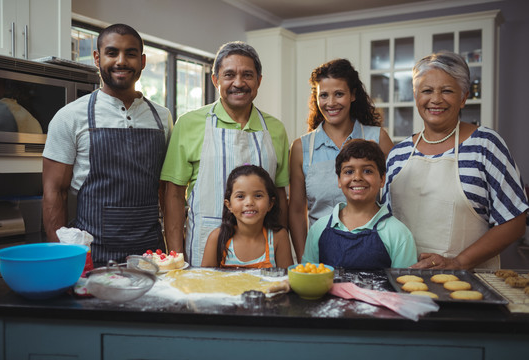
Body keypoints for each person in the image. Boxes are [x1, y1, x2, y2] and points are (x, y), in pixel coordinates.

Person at [382, 51, 529, 270]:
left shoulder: (486, 145)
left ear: (463, 98)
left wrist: (458, 262)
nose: (436, 99)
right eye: (427, 91)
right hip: (405, 283)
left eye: (447, 91)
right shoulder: (398, 155)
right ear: (415, 97)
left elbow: (515, 222)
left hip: (470, 286)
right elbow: (385, 224)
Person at [42, 24, 172, 264]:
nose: (121, 61)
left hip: (152, 255)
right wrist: (63, 258)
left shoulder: (162, 118)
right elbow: (54, 192)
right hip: (92, 256)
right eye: (112, 53)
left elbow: (166, 190)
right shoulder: (70, 116)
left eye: (130, 53)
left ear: (142, 61)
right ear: (96, 58)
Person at [161, 41, 290, 267]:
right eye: (229, 75)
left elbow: (279, 196)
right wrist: (176, 259)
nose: (238, 83)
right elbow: (173, 195)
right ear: (215, 80)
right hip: (203, 247)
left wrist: (280, 248)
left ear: (259, 81)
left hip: (262, 252)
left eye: (247, 75)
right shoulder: (189, 124)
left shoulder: (275, 129)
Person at [289, 58, 394, 262]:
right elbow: (295, 210)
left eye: (339, 94)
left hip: (373, 252)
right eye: (324, 95)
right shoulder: (301, 148)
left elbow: (394, 199)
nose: (331, 103)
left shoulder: (378, 138)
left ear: (353, 95)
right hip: (321, 253)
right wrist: (306, 259)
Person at [302, 139, 416, 269]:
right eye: (349, 172)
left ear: (382, 179)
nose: (357, 177)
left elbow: (403, 285)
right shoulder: (318, 229)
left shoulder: (398, 234)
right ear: (339, 180)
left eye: (367, 171)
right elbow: (308, 278)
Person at [201, 165, 293, 268]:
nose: (249, 202)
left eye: (258, 195)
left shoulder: (278, 237)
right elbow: (206, 280)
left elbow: (286, 280)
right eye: (240, 196)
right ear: (229, 205)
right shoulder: (217, 238)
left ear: (270, 204)